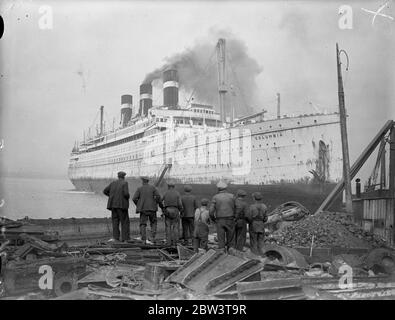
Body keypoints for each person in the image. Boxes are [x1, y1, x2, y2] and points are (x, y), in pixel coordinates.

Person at [132, 176, 162, 244]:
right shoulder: (153, 188)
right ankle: (152, 238)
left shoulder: (139, 188)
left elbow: (134, 199)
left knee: (143, 224)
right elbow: (158, 197)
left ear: (143, 181)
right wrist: (155, 203)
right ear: (148, 181)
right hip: (152, 209)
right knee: (153, 223)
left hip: (143, 209)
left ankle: (143, 239)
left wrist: (139, 205)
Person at [103, 171, 130, 242]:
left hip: (113, 206)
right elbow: (126, 194)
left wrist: (112, 196)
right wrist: (128, 196)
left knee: (115, 221)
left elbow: (105, 191)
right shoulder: (125, 183)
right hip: (122, 206)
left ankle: (116, 238)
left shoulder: (113, 183)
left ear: (118, 176)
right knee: (124, 222)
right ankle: (125, 238)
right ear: (124, 177)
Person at [209, 181, 235, 251]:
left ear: (218, 189)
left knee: (220, 238)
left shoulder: (215, 197)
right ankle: (231, 250)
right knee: (231, 237)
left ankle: (222, 251)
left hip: (220, 219)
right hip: (230, 218)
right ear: (226, 188)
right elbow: (237, 207)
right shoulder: (232, 196)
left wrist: (213, 219)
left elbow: (211, 211)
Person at [162, 180, 183, 246]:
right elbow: (179, 204)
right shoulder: (177, 193)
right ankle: (175, 242)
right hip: (175, 210)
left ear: (168, 186)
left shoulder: (165, 193)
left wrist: (163, 210)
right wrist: (181, 210)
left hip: (167, 210)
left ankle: (168, 243)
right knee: (175, 227)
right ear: (174, 186)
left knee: (168, 227)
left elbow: (160, 201)